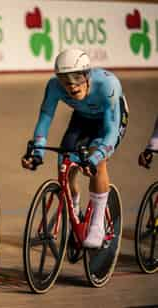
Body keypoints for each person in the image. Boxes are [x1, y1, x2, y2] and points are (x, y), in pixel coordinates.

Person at [22, 48, 129, 248]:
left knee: (97, 162)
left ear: (87, 75)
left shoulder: (108, 86)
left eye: (76, 78)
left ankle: (97, 225)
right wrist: (37, 151)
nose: (71, 85)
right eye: (65, 79)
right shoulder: (54, 87)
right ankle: (75, 212)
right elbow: (45, 118)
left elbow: (110, 133)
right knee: (64, 162)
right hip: (82, 118)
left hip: (109, 122)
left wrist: (95, 159)